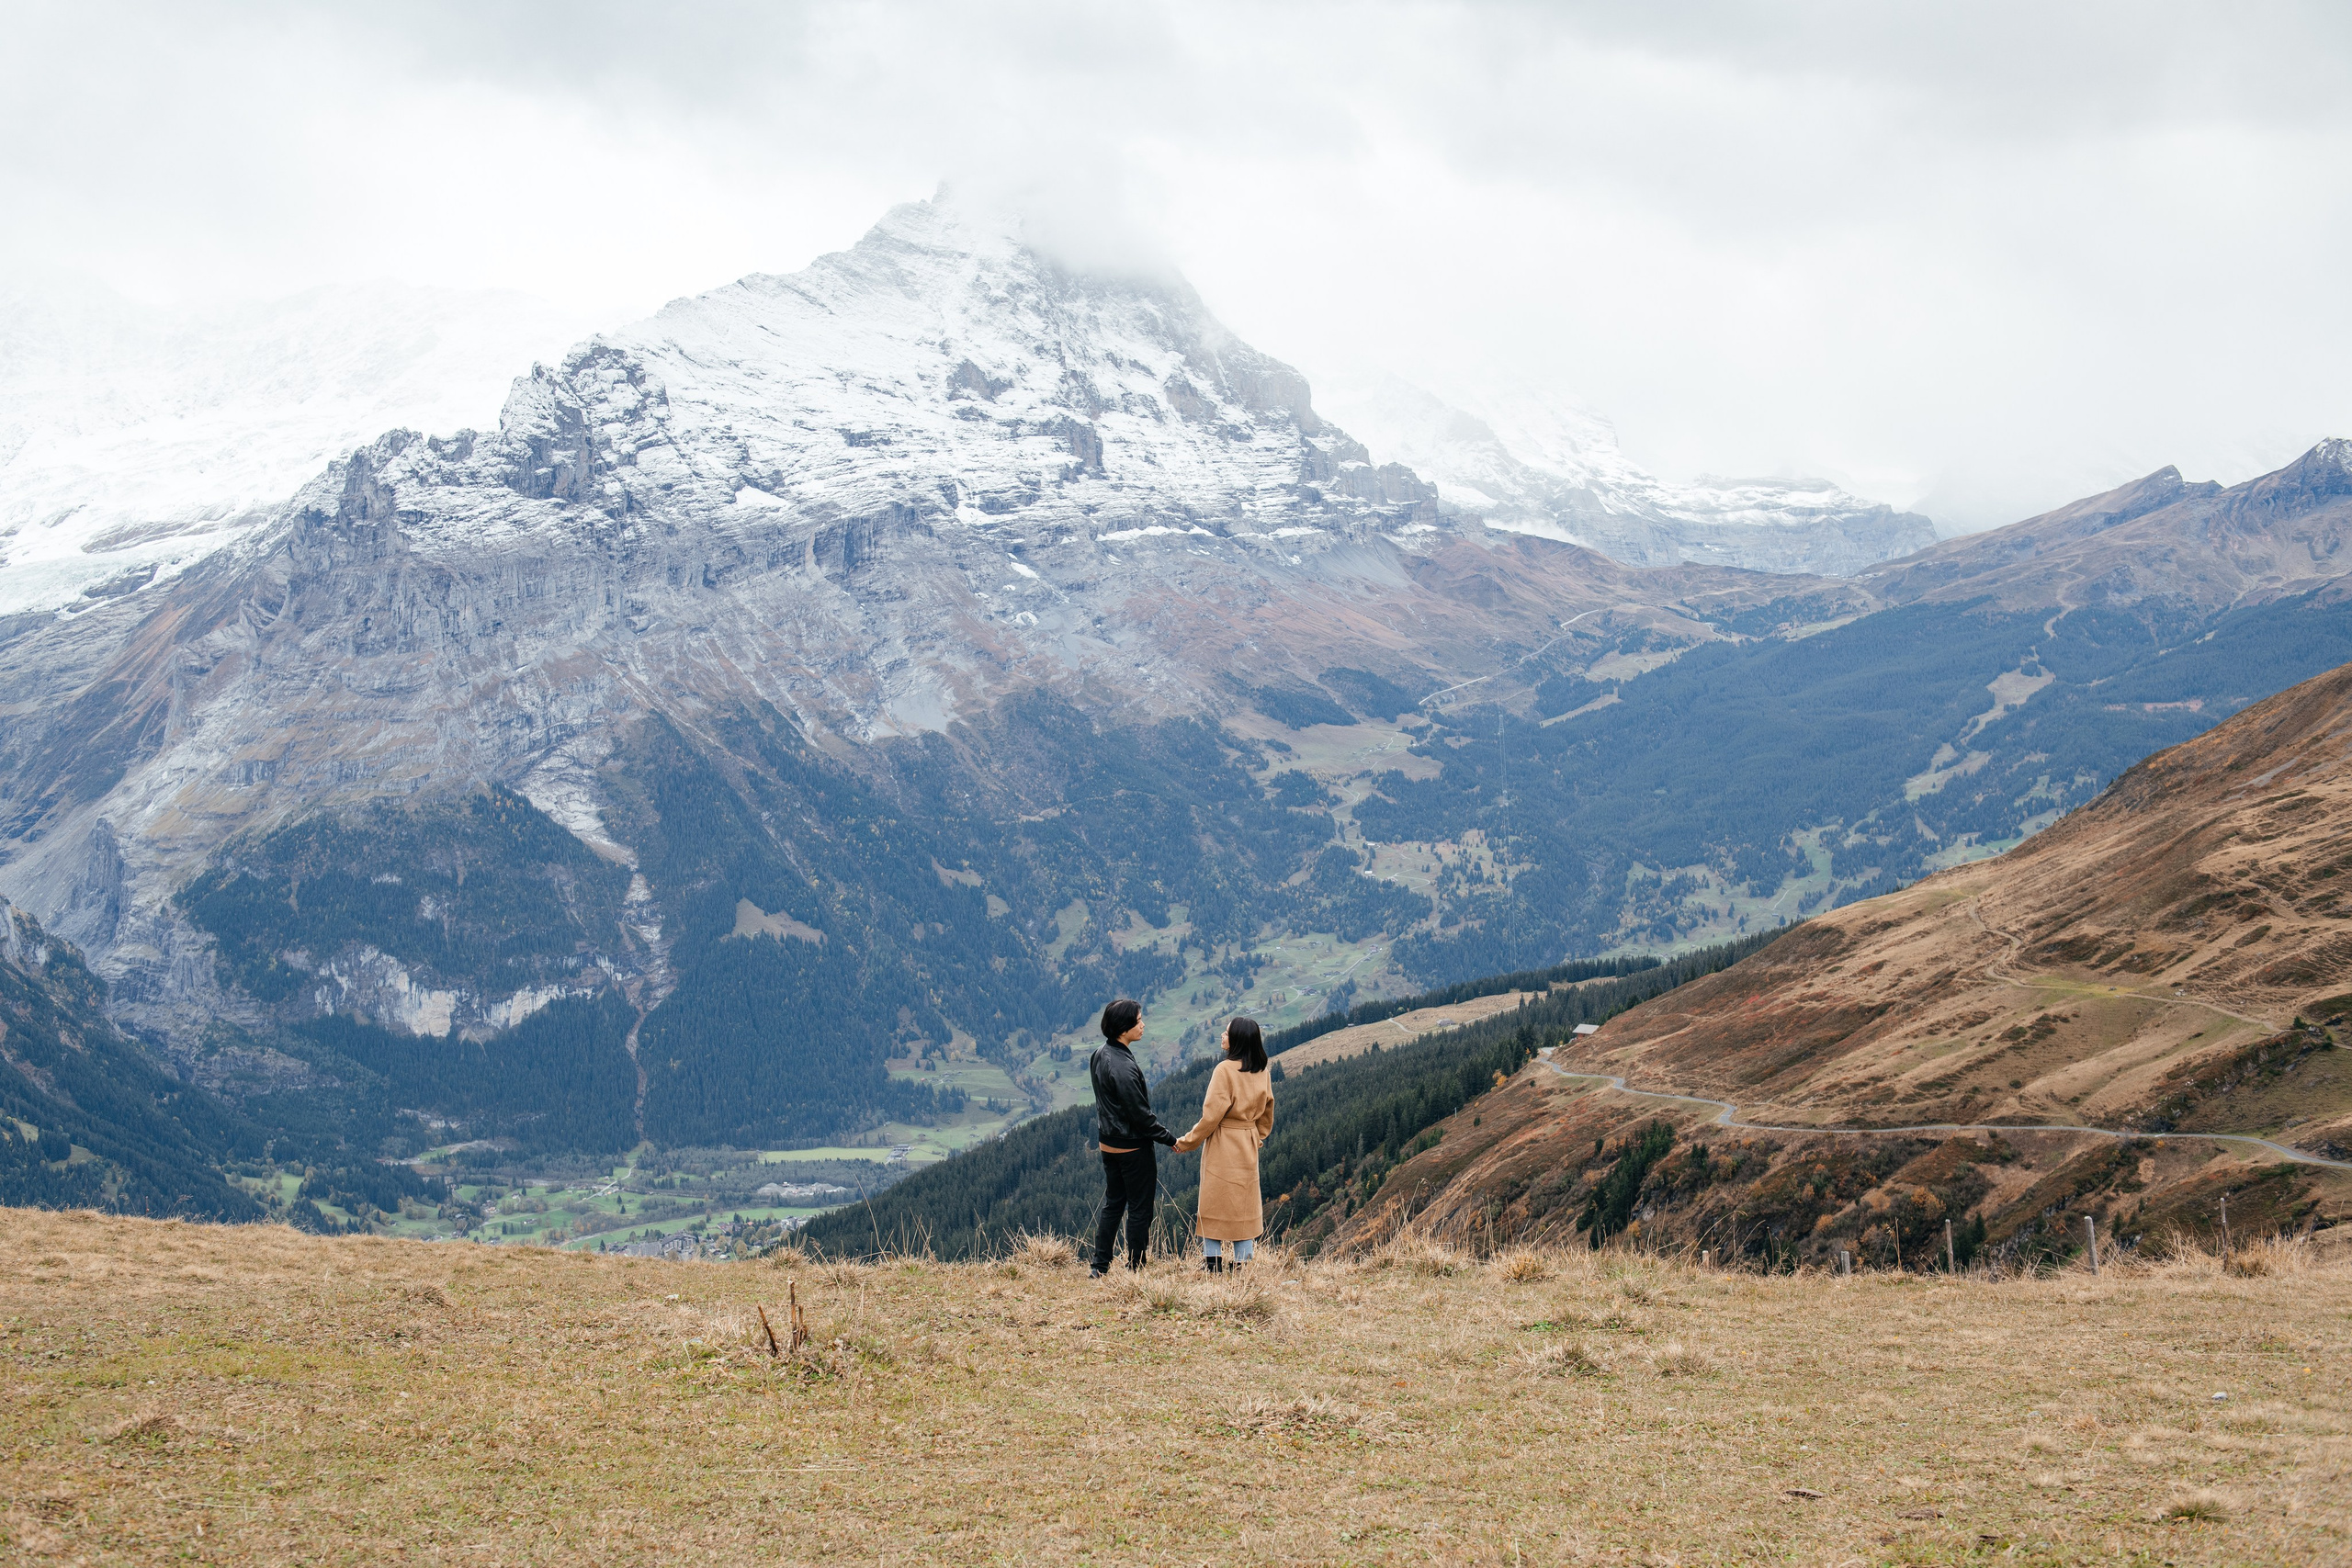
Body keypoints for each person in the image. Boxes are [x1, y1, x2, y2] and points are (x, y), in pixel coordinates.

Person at [1172, 1016, 1275, 1273]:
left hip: (1223, 1141)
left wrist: (1187, 1142)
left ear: (1237, 1039)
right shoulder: (1262, 1070)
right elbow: (1268, 1109)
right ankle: (1243, 1265)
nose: (1222, 1035)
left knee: (1214, 1201)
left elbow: (1211, 1116)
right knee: (1245, 1203)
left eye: (1227, 1033)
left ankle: (1212, 1264)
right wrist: (1258, 1136)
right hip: (1248, 1143)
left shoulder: (1224, 1070)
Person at [1089, 998, 1176, 1277]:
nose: (1143, 1025)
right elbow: (1140, 1116)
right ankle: (1135, 1267)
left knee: (1114, 1204)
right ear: (1123, 1027)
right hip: (1132, 1148)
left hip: (1107, 1143)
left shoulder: (1099, 1054)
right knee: (1139, 1209)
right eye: (1138, 1021)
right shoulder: (1124, 1067)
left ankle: (1099, 1266)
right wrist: (1171, 1139)